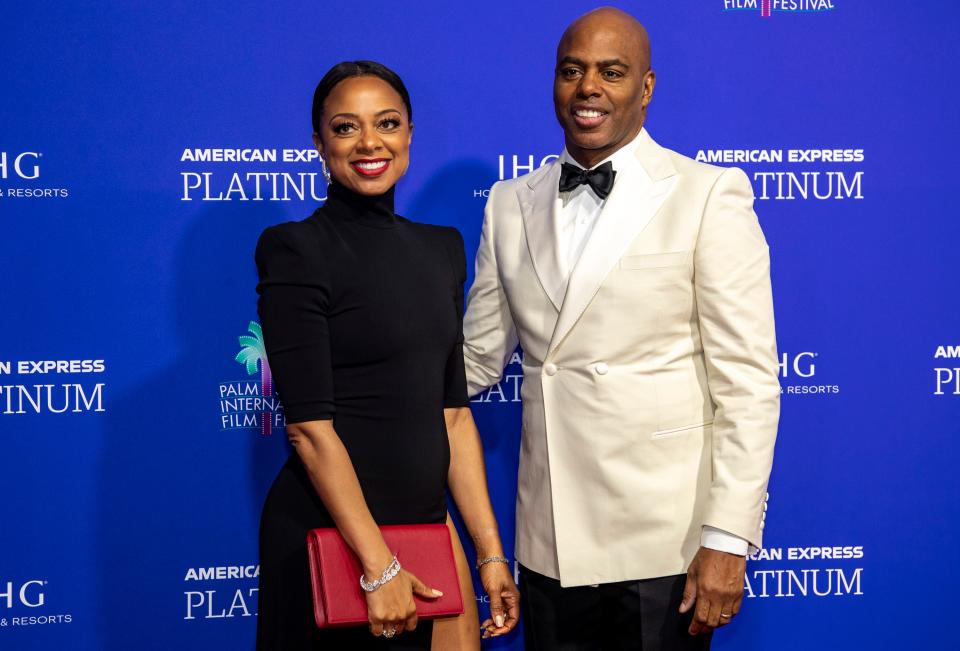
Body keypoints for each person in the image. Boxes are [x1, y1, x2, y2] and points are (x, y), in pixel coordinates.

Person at [459, 7, 780, 650]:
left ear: (647, 87)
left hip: (665, 546)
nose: (588, 89)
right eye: (571, 71)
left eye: (612, 72)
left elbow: (748, 382)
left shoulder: (707, 194)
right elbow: (475, 360)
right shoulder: (507, 203)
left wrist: (727, 539)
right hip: (550, 543)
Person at [254, 60, 519, 650]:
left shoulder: (441, 249)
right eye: (346, 127)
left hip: (427, 530)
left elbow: (451, 416)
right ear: (319, 143)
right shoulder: (295, 249)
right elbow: (308, 431)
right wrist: (379, 566)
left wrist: (490, 555)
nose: (370, 142)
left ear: (409, 134)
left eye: (388, 123)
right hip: (333, 539)